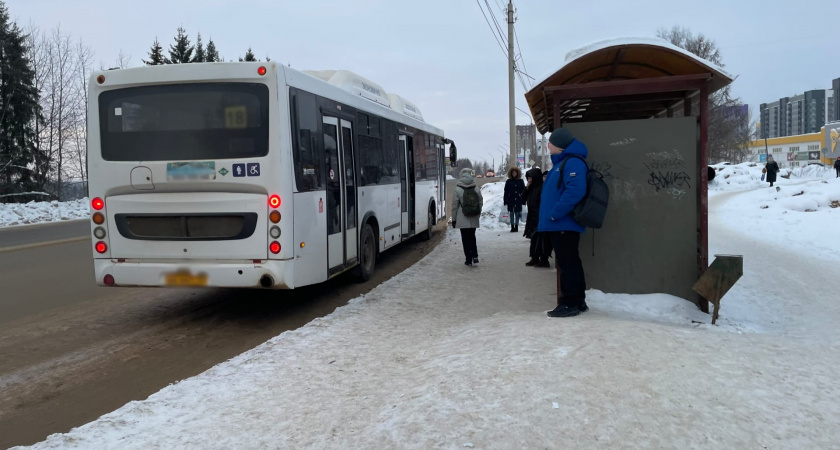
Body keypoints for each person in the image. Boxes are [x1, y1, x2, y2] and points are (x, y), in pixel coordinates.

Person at [539, 128, 588, 318]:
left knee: (568, 264)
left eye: (550, 142)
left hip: (564, 224)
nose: (547, 145)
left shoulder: (572, 162)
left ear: (559, 146)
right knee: (570, 262)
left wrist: (555, 214)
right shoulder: (564, 162)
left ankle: (570, 303)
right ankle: (578, 301)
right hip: (561, 224)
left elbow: (575, 192)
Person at [452, 167, 483, 266]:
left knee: (465, 239)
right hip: (473, 216)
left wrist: (454, 219)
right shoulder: (475, 187)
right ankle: (475, 256)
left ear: (461, 175)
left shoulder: (458, 189)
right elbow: (480, 201)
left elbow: (454, 206)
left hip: (462, 217)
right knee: (472, 237)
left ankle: (468, 259)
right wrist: (478, 212)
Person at [522, 167, 551, 267]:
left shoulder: (542, 188)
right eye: (528, 178)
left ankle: (544, 259)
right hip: (532, 217)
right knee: (534, 239)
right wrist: (526, 188)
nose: (529, 180)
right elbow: (522, 199)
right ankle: (534, 257)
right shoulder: (531, 188)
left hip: (540, 217)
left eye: (530, 178)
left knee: (541, 240)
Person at [503, 167, 525, 232]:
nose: (514, 174)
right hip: (510, 199)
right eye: (513, 172)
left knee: (517, 214)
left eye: (515, 172)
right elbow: (506, 191)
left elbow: (523, 191)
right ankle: (512, 227)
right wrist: (505, 200)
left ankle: (516, 226)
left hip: (518, 200)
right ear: (511, 173)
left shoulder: (521, 181)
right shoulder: (508, 181)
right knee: (511, 213)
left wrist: (523, 200)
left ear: (517, 173)